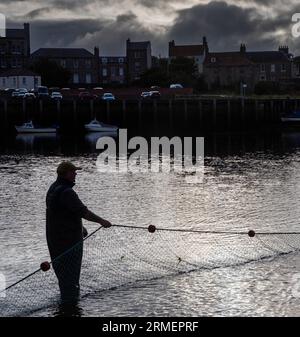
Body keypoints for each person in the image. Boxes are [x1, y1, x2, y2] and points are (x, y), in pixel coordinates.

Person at [46, 161, 111, 303]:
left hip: (54, 240)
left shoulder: (53, 188)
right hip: (68, 242)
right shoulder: (67, 192)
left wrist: (80, 228)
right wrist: (102, 221)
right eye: (73, 171)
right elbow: (84, 212)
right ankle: (71, 305)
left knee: (63, 277)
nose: (75, 174)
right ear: (66, 173)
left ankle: (66, 305)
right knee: (71, 277)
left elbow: (60, 213)